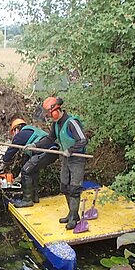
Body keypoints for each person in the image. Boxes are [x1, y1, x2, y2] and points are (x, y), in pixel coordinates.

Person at [37, 96, 88, 230]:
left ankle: (73, 218)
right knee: (64, 186)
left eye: (50, 114)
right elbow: (49, 139)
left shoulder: (72, 122)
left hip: (77, 158)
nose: (50, 117)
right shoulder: (56, 124)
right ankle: (72, 214)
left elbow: (82, 140)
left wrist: (70, 150)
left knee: (74, 189)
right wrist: (34, 145)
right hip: (65, 158)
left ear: (56, 111)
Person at [0, 118, 58, 208]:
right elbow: (26, 160)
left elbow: (11, 150)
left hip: (46, 151)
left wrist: (4, 164)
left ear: (16, 129)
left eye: (13, 132)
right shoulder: (31, 132)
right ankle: (34, 197)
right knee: (31, 170)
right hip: (53, 151)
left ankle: (27, 200)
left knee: (26, 171)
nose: (14, 135)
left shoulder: (20, 135)